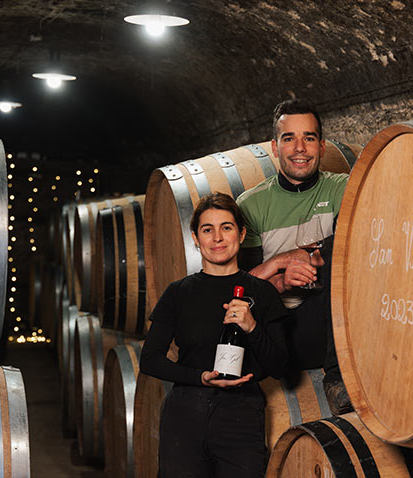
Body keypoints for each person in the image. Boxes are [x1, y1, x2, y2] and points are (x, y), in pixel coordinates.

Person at [139, 192, 288, 478]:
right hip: (185, 417)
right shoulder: (178, 293)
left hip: (241, 417)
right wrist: (200, 377)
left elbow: (280, 366)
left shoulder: (262, 293)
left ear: (241, 234)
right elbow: (150, 360)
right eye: (207, 230)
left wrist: (252, 327)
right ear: (195, 238)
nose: (217, 238)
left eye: (226, 227)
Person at [236, 98, 353, 415]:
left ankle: (340, 374)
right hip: (283, 334)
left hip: (336, 323)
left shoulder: (342, 189)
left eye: (309, 138)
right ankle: (338, 377)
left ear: (322, 146)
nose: (300, 148)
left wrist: (311, 255)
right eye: (289, 138)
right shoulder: (251, 205)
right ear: (275, 148)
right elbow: (244, 289)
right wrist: (283, 279)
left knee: (346, 243)